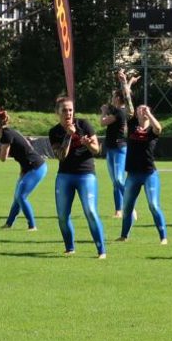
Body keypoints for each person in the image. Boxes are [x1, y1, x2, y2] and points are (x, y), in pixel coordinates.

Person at [48, 97, 106, 258]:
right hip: (65, 176)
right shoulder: (54, 132)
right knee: (62, 215)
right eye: (64, 110)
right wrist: (68, 136)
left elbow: (97, 150)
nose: (68, 113)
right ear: (57, 112)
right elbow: (61, 156)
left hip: (86, 174)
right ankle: (70, 248)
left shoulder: (84, 124)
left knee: (91, 211)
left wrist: (87, 143)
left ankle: (101, 251)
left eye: (70, 110)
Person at [115, 70, 167, 244]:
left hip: (149, 173)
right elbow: (129, 101)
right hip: (133, 174)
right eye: (139, 110)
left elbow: (159, 128)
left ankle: (163, 237)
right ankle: (124, 236)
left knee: (153, 205)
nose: (140, 111)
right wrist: (124, 83)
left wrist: (149, 115)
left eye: (143, 110)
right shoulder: (131, 125)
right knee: (127, 207)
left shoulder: (152, 131)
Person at [0, 109, 47, 231]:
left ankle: (32, 226)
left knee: (21, 196)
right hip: (30, 168)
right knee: (18, 196)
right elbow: (24, 151)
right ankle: (8, 224)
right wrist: (23, 170)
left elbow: (2, 158)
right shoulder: (9, 132)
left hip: (36, 167)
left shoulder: (6, 135)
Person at [99, 76, 133, 218]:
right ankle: (118, 210)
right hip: (111, 148)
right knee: (115, 181)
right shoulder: (120, 110)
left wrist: (104, 111)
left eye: (114, 97)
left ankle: (130, 206)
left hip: (119, 148)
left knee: (119, 179)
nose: (112, 99)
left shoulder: (119, 112)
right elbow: (126, 93)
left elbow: (102, 122)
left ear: (118, 99)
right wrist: (129, 82)